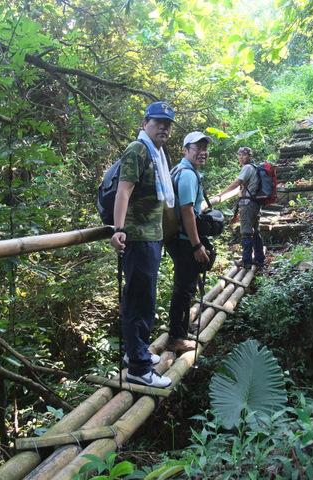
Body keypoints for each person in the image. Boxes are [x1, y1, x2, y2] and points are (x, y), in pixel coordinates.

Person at [110, 101, 176, 388]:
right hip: (137, 237)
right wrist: (119, 229)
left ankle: (135, 354)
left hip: (152, 237)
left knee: (145, 299)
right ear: (146, 122)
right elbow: (123, 191)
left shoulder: (157, 152)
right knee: (139, 301)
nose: (163, 127)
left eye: (168, 124)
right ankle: (138, 366)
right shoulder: (138, 150)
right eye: (158, 121)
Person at [165, 132, 213, 352]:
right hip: (184, 240)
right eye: (197, 148)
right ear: (186, 150)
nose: (202, 153)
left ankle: (181, 327)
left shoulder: (179, 169)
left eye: (205, 149)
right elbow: (186, 210)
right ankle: (176, 337)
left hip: (177, 237)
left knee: (184, 287)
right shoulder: (187, 175)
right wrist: (196, 245)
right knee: (184, 289)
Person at [217, 146, 265, 269]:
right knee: (255, 231)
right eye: (239, 155)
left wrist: (222, 194)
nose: (241, 157)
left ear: (250, 156)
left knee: (246, 232)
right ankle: (259, 258)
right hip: (255, 203)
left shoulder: (247, 168)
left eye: (244, 155)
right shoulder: (254, 167)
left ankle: (246, 261)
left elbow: (237, 182)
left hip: (248, 204)